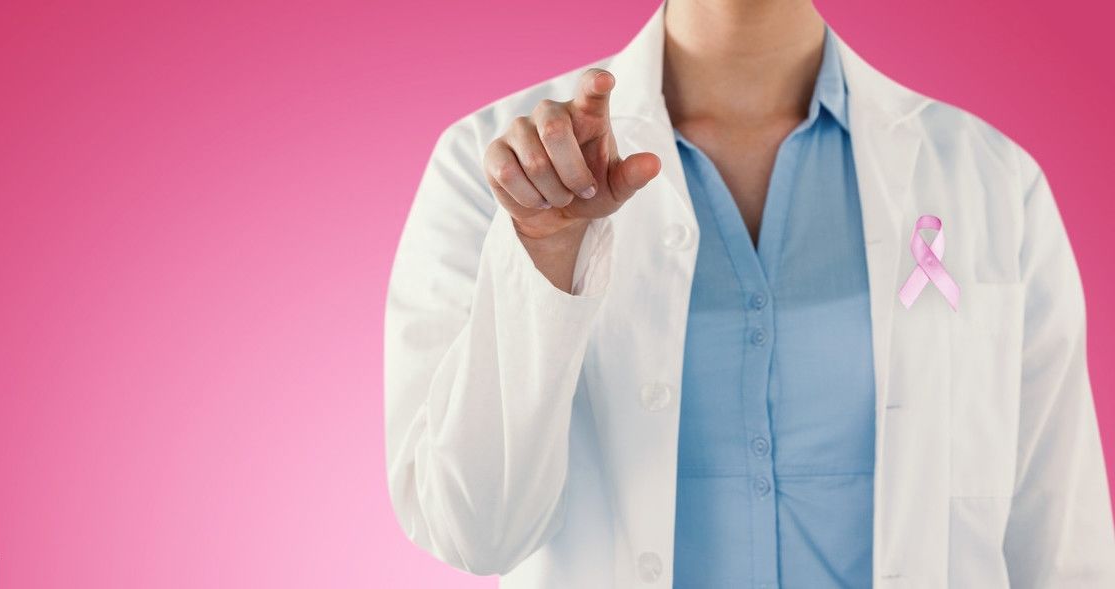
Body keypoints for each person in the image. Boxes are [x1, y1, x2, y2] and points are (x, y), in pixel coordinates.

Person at [383, 0, 1115, 586]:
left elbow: (1065, 552)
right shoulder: (498, 168)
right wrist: (542, 257)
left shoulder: (992, 181)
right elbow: (474, 529)